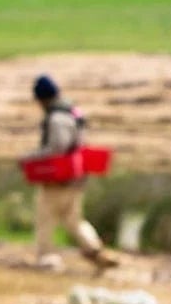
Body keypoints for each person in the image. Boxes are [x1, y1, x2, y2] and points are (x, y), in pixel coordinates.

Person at [27, 75, 117, 270]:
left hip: (57, 177)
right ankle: (94, 250)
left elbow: (57, 148)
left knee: (45, 218)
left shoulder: (57, 118)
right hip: (77, 177)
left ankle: (47, 258)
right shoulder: (74, 113)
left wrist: (31, 158)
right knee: (73, 220)